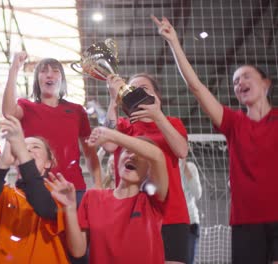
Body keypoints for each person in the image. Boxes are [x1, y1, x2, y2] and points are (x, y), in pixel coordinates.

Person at [152, 15, 278, 264]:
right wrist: (174, 43)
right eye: (234, 81)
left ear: (265, 84)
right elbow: (197, 87)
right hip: (245, 223)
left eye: (245, 76)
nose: (239, 82)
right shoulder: (233, 123)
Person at [47, 126, 169, 263]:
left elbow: (157, 156)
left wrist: (110, 135)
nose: (133, 156)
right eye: (127, 151)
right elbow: (78, 251)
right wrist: (69, 208)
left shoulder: (153, 200)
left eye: (141, 156)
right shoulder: (93, 197)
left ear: (150, 170)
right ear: (118, 161)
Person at [103, 72, 190, 263]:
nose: (137, 93)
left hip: (171, 216)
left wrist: (157, 116)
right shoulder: (124, 127)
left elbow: (182, 151)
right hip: (131, 216)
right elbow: (108, 145)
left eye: (144, 89)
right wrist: (113, 101)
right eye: (132, 89)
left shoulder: (172, 123)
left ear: (157, 96)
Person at [2, 52, 102, 203]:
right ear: (37, 80)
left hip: (72, 189)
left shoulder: (77, 111)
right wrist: (14, 68)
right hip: (34, 188)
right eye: (43, 71)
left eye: (55, 71)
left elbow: (90, 153)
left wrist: (98, 185)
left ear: (62, 79)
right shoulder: (26, 107)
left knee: (75, 227)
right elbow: (8, 111)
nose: (49, 75)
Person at [0, 116, 69, 264]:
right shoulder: (5, 194)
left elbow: (45, 208)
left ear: (49, 162)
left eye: (35, 147)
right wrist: (3, 163)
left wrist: (22, 152)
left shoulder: (60, 190)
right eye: (23, 147)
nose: (27, 150)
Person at [179, 158, 202, 264]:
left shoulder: (190, 167)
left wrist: (186, 169)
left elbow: (197, 194)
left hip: (190, 222)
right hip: (170, 223)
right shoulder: (163, 166)